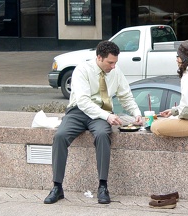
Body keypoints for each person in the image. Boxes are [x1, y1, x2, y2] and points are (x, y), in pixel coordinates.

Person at [44, 40, 142, 205]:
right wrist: (107, 116)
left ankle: (103, 186)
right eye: (110, 62)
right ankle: (57, 186)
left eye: (115, 62)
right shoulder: (82, 70)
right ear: (99, 58)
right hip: (78, 112)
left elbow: (125, 96)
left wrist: (137, 114)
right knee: (60, 136)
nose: (113, 66)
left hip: (101, 114)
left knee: (103, 134)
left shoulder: (116, 72)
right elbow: (82, 101)